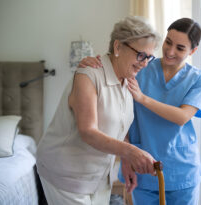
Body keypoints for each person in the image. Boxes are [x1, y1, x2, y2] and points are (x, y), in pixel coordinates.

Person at [79, 18, 201, 205]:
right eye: (168, 42)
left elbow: (182, 117)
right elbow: (120, 113)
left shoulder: (199, 78)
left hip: (181, 171)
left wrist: (142, 98)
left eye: (180, 48)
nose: (170, 52)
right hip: (141, 167)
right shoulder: (142, 66)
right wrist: (91, 62)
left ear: (193, 51)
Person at [36, 16, 161, 205]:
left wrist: (126, 161)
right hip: (66, 174)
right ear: (118, 47)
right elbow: (88, 131)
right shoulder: (88, 75)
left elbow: (119, 124)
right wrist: (131, 152)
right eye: (141, 55)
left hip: (99, 177)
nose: (144, 63)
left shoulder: (128, 81)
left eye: (149, 58)